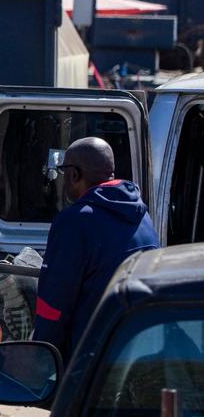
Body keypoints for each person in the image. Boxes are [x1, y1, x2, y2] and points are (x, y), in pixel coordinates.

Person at [35, 136, 158, 360]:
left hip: (92, 361)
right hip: (139, 352)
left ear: (74, 174)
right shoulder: (143, 216)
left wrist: (39, 358)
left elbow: (53, 304)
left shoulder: (74, 222)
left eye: (64, 173)